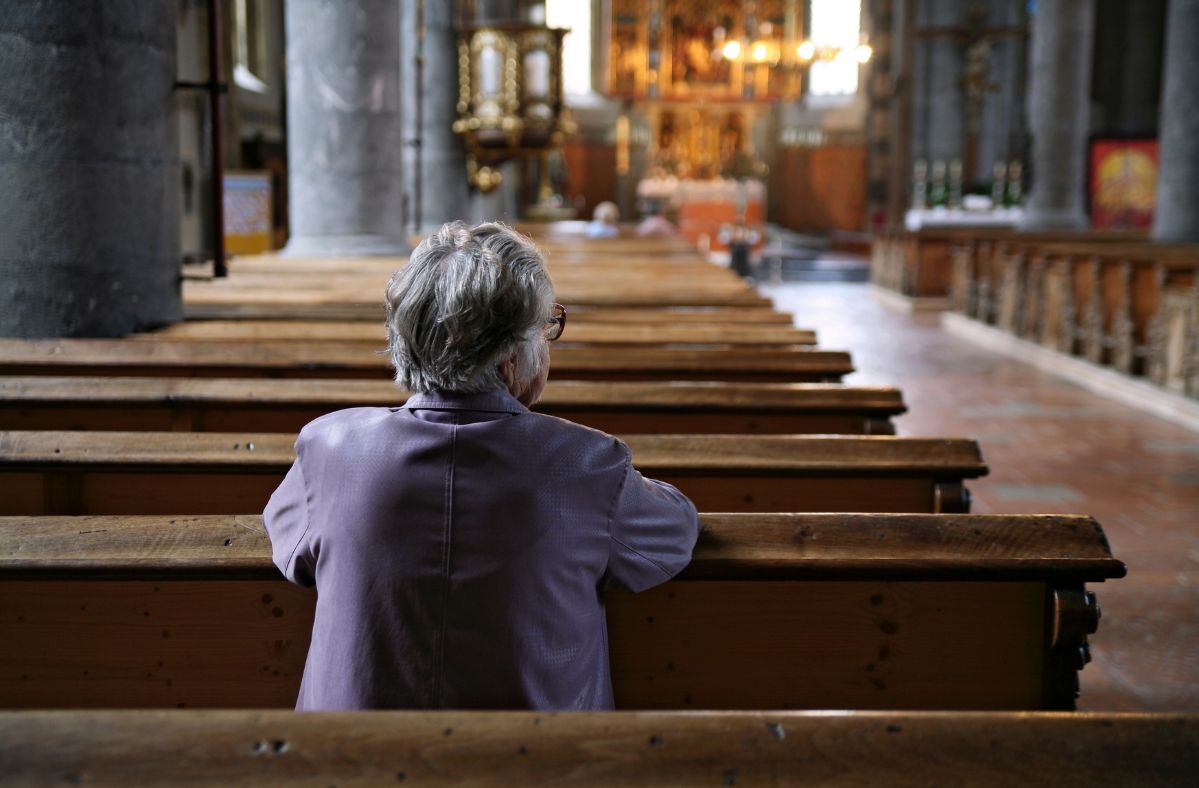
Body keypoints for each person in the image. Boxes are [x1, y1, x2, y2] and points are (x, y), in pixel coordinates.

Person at [263, 221, 699, 711]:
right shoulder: (587, 465)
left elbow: (289, 548)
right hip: (536, 763)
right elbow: (677, 531)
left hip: (347, 764)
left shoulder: (328, 448)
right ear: (512, 356)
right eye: (546, 327)